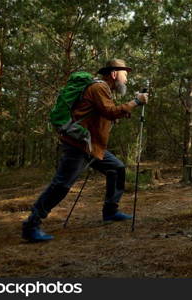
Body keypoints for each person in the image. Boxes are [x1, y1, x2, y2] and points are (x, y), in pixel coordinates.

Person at [22, 59, 148, 242]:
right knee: (61, 185)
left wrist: (120, 114)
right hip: (78, 145)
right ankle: (31, 225)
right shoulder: (99, 88)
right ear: (114, 74)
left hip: (93, 147)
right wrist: (136, 101)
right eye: (125, 74)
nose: (127, 79)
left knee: (117, 168)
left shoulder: (105, 91)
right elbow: (110, 111)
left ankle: (110, 212)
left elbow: (105, 113)